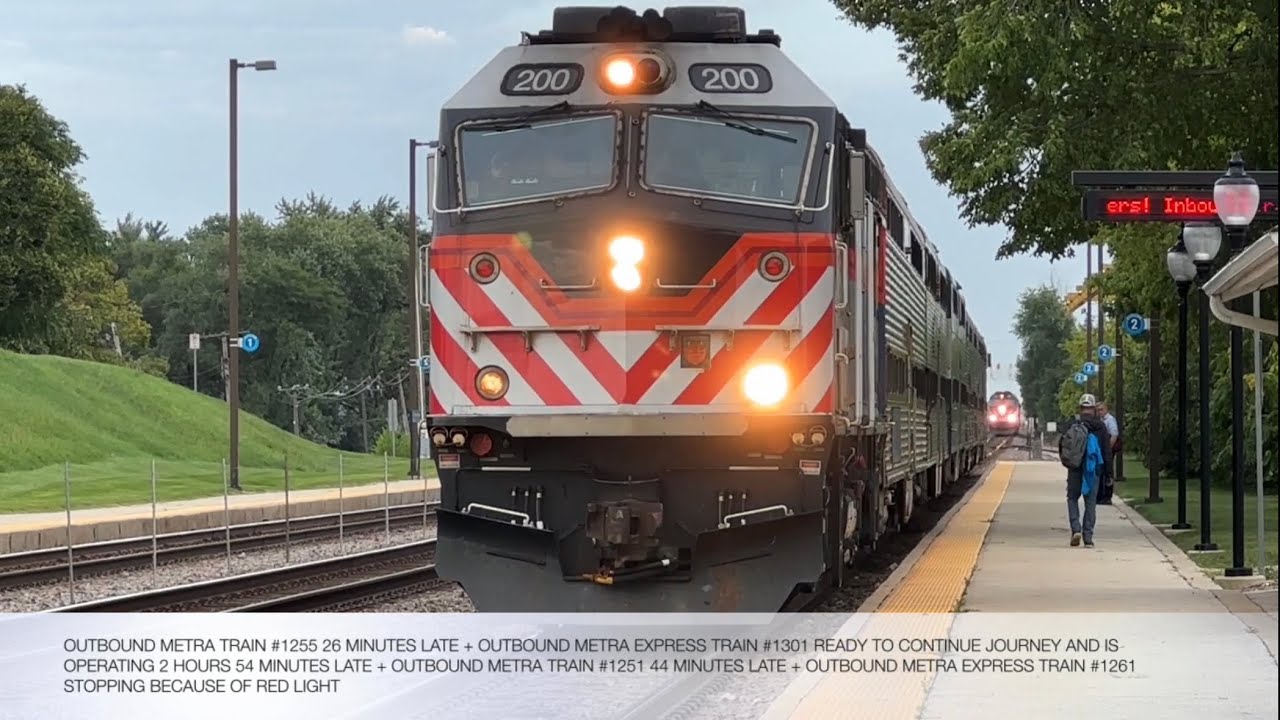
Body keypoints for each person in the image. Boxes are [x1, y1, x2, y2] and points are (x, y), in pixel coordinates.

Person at [1059, 393, 1113, 547]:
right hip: (1092, 469)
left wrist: (1067, 463)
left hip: (1075, 467)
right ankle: (1088, 536)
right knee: (1090, 502)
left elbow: (1063, 446)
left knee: (1072, 498)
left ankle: (1075, 528)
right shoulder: (1100, 426)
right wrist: (1109, 473)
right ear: (1094, 409)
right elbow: (1106, 451)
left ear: (1081, 408)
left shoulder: (1073, 424)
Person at [1096, 402, 1120, 505]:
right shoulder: (1100, 421)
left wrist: (1108, 449)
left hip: (1107, 451)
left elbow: (1114, 434)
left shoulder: (1110, 420)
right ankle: (1101, 495)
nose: (1100, 412)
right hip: (1102, 450)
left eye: (1101, 409)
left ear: (1106, 409)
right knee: (1101, 472)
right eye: (1098, 410)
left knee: (1108, 473)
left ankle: (1107, 496)